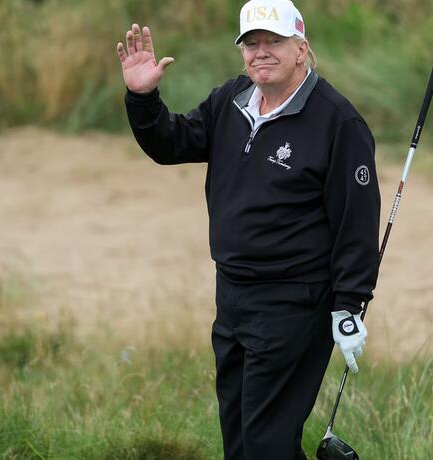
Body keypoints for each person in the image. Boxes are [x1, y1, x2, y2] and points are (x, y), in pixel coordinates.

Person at [116, 1, 380, 458]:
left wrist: (349, 302)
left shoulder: (338, 122)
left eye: (274, 41)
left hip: (294, 301)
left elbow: (356, 219)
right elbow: (171, 142)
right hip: (233, 295)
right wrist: (143, 99)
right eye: (251, 43)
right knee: (239, 438)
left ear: (301, 47)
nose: (262, 52)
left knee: (265, 443)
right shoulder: (231, 100)